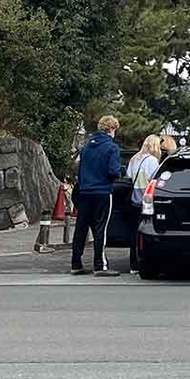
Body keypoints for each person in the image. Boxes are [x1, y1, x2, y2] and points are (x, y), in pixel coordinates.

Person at [70, 115, 123, 276]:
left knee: (81, 227)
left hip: (84, 192)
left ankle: (76, 263)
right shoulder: (111, 147)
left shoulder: (86, 147)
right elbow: (113, 172)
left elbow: (79, 170)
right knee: (100, 228)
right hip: (102, 192)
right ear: (111, 130)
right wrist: (119, 173)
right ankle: (100, 265)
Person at [125, 135, 161, 273]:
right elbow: (155, 180)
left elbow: (129, 176)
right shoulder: (152, 160)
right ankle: (143, 262)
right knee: (146, 234)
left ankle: (133, 264)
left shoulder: (134, 159)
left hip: (134, 200)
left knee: (134, 234)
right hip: (145, 202)